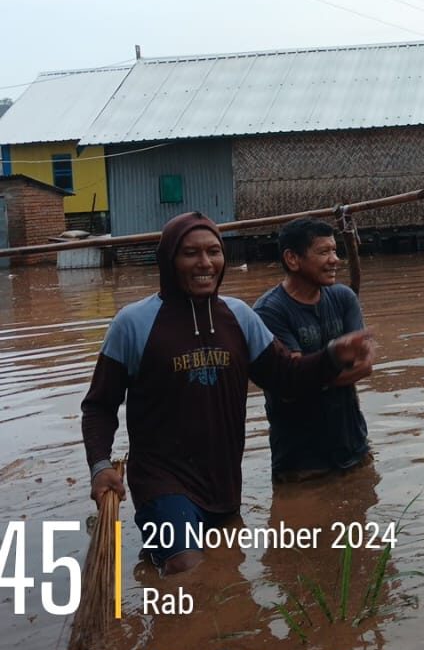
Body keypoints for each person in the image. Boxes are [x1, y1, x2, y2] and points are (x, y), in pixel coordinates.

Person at [82, 211, 373, 575]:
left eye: (214, 252)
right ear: (169, 259)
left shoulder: (238, 316)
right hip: (161, 479)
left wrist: (332, 355)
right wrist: (100, 466)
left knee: (226, 574)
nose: (205, 263)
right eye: (191, 253)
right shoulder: (134, 322)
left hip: (222, 480)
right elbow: (99, 405)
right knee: (186, 568)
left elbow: (286, 377)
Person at [253, 218, 372, 482]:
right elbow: (291, 383)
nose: (335, 260)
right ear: (292, 259)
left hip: (353, 444)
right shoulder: (269, 311)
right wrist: (329, 366)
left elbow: (365, 365)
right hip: (302, 461)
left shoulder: (343, 298)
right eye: (323, 252)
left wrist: (309, 375)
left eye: (335, 250)